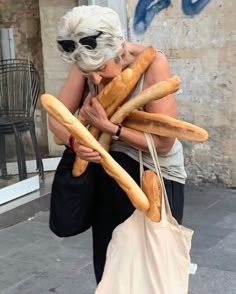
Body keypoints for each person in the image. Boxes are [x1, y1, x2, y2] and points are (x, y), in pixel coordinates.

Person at [48, 5, 187, 284]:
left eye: (101, 69)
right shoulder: (86, 57)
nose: (95, 79)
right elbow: (57, 119)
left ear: (119, 48)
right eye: (89, 72)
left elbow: (163, 143)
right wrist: (76, 142)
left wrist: (110, 128)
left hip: (153, 174)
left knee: (150, 267)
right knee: (111, 263)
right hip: (107, 172)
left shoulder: (153, 64)